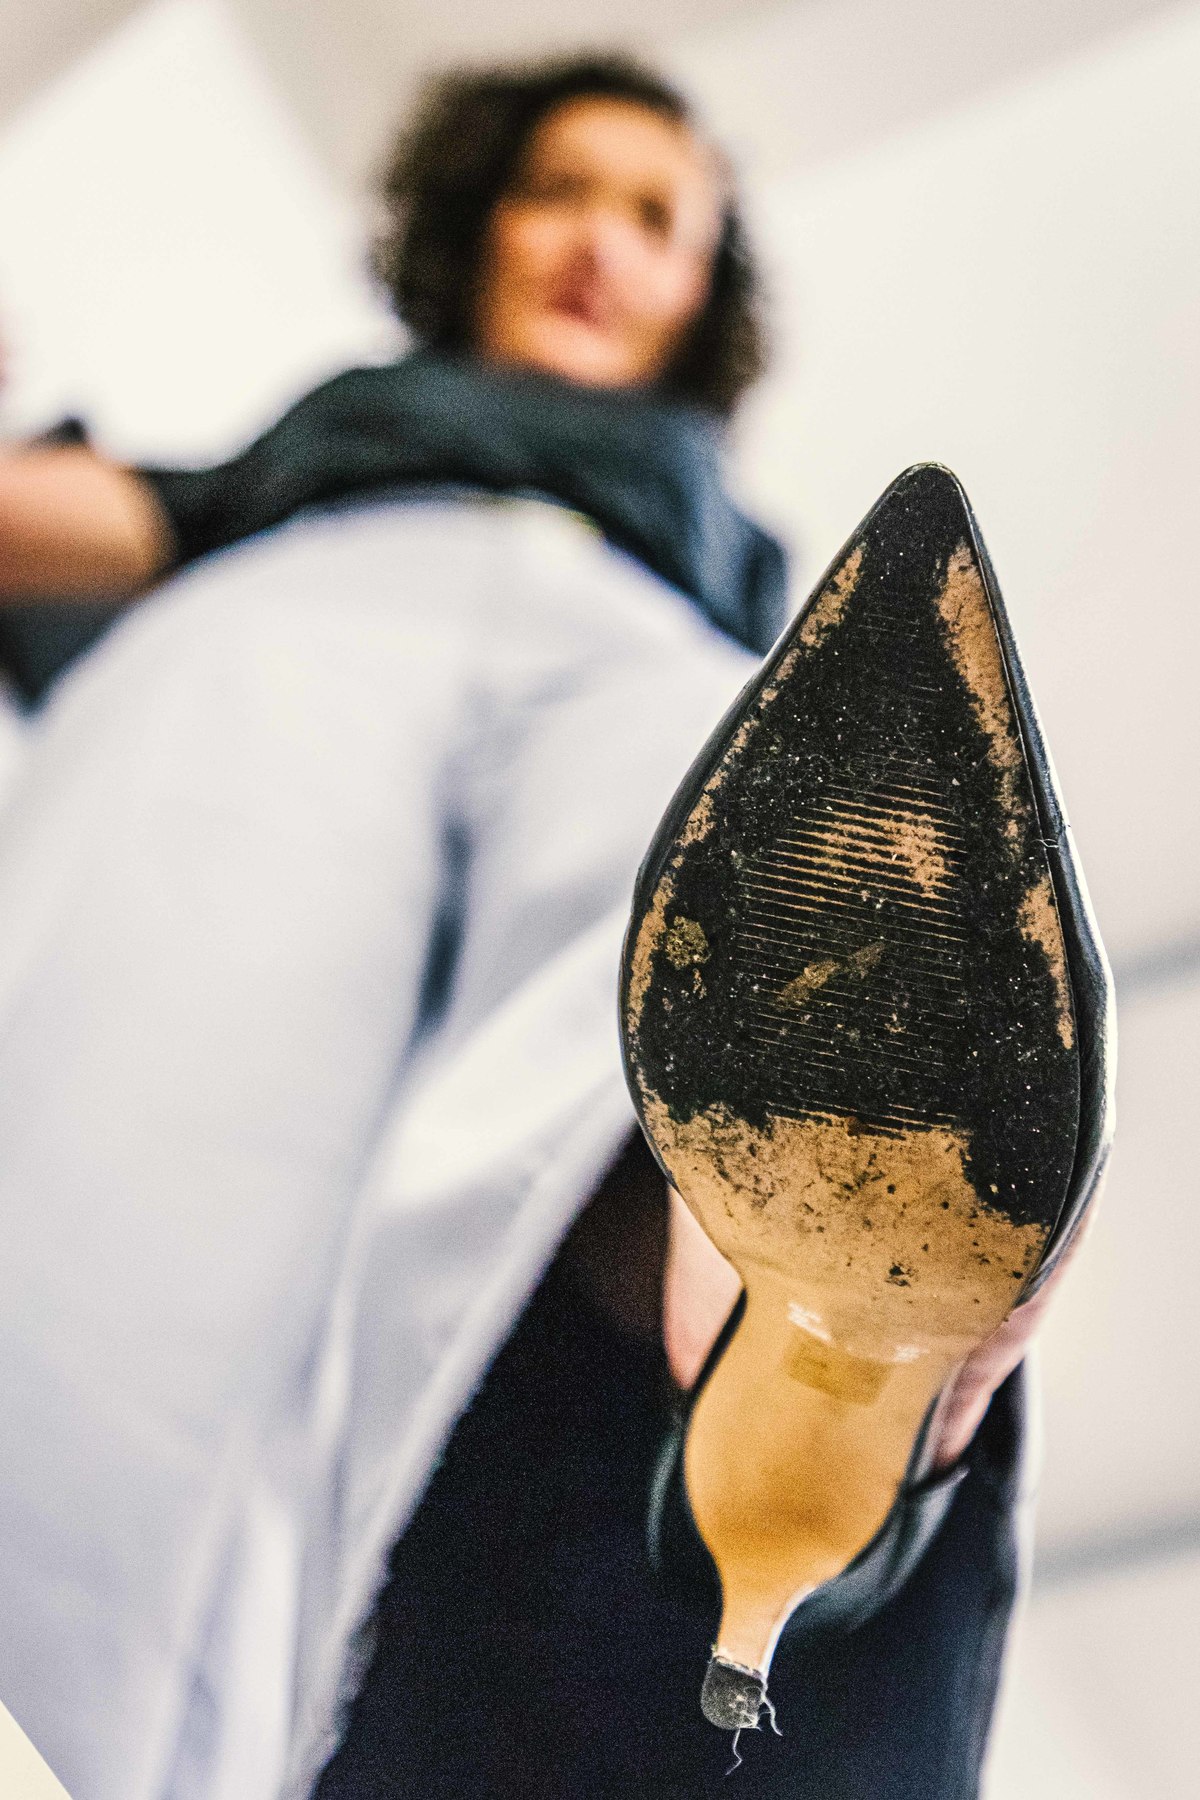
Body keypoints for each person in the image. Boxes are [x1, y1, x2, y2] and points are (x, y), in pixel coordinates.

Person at [0, 55, 1073, 1800]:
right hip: (320, 599)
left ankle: (770, 1295)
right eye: (556, 191)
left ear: (700, 292)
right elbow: (73, 523)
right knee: (152, 1107)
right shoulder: (341, 432)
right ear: (479, 226)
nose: (595, 242)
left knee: (692, 946)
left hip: (648, 662)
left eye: (654, 218)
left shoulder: (733, 547)